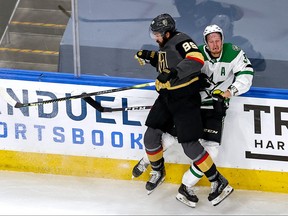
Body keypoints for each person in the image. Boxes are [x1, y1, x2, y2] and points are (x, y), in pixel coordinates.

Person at [133, 24, 254, 207]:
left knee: (210, 150)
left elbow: (246, 74)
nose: (215, 44)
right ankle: (149, 162)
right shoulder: (197, 54)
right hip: (194, 104)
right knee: (170, 137)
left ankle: (186, 186)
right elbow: (175, 65)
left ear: (222, 39)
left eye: (218, 40)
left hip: (215, 107)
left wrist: (230, 91)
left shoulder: (234, 53)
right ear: (205, 42)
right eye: (211, 41)